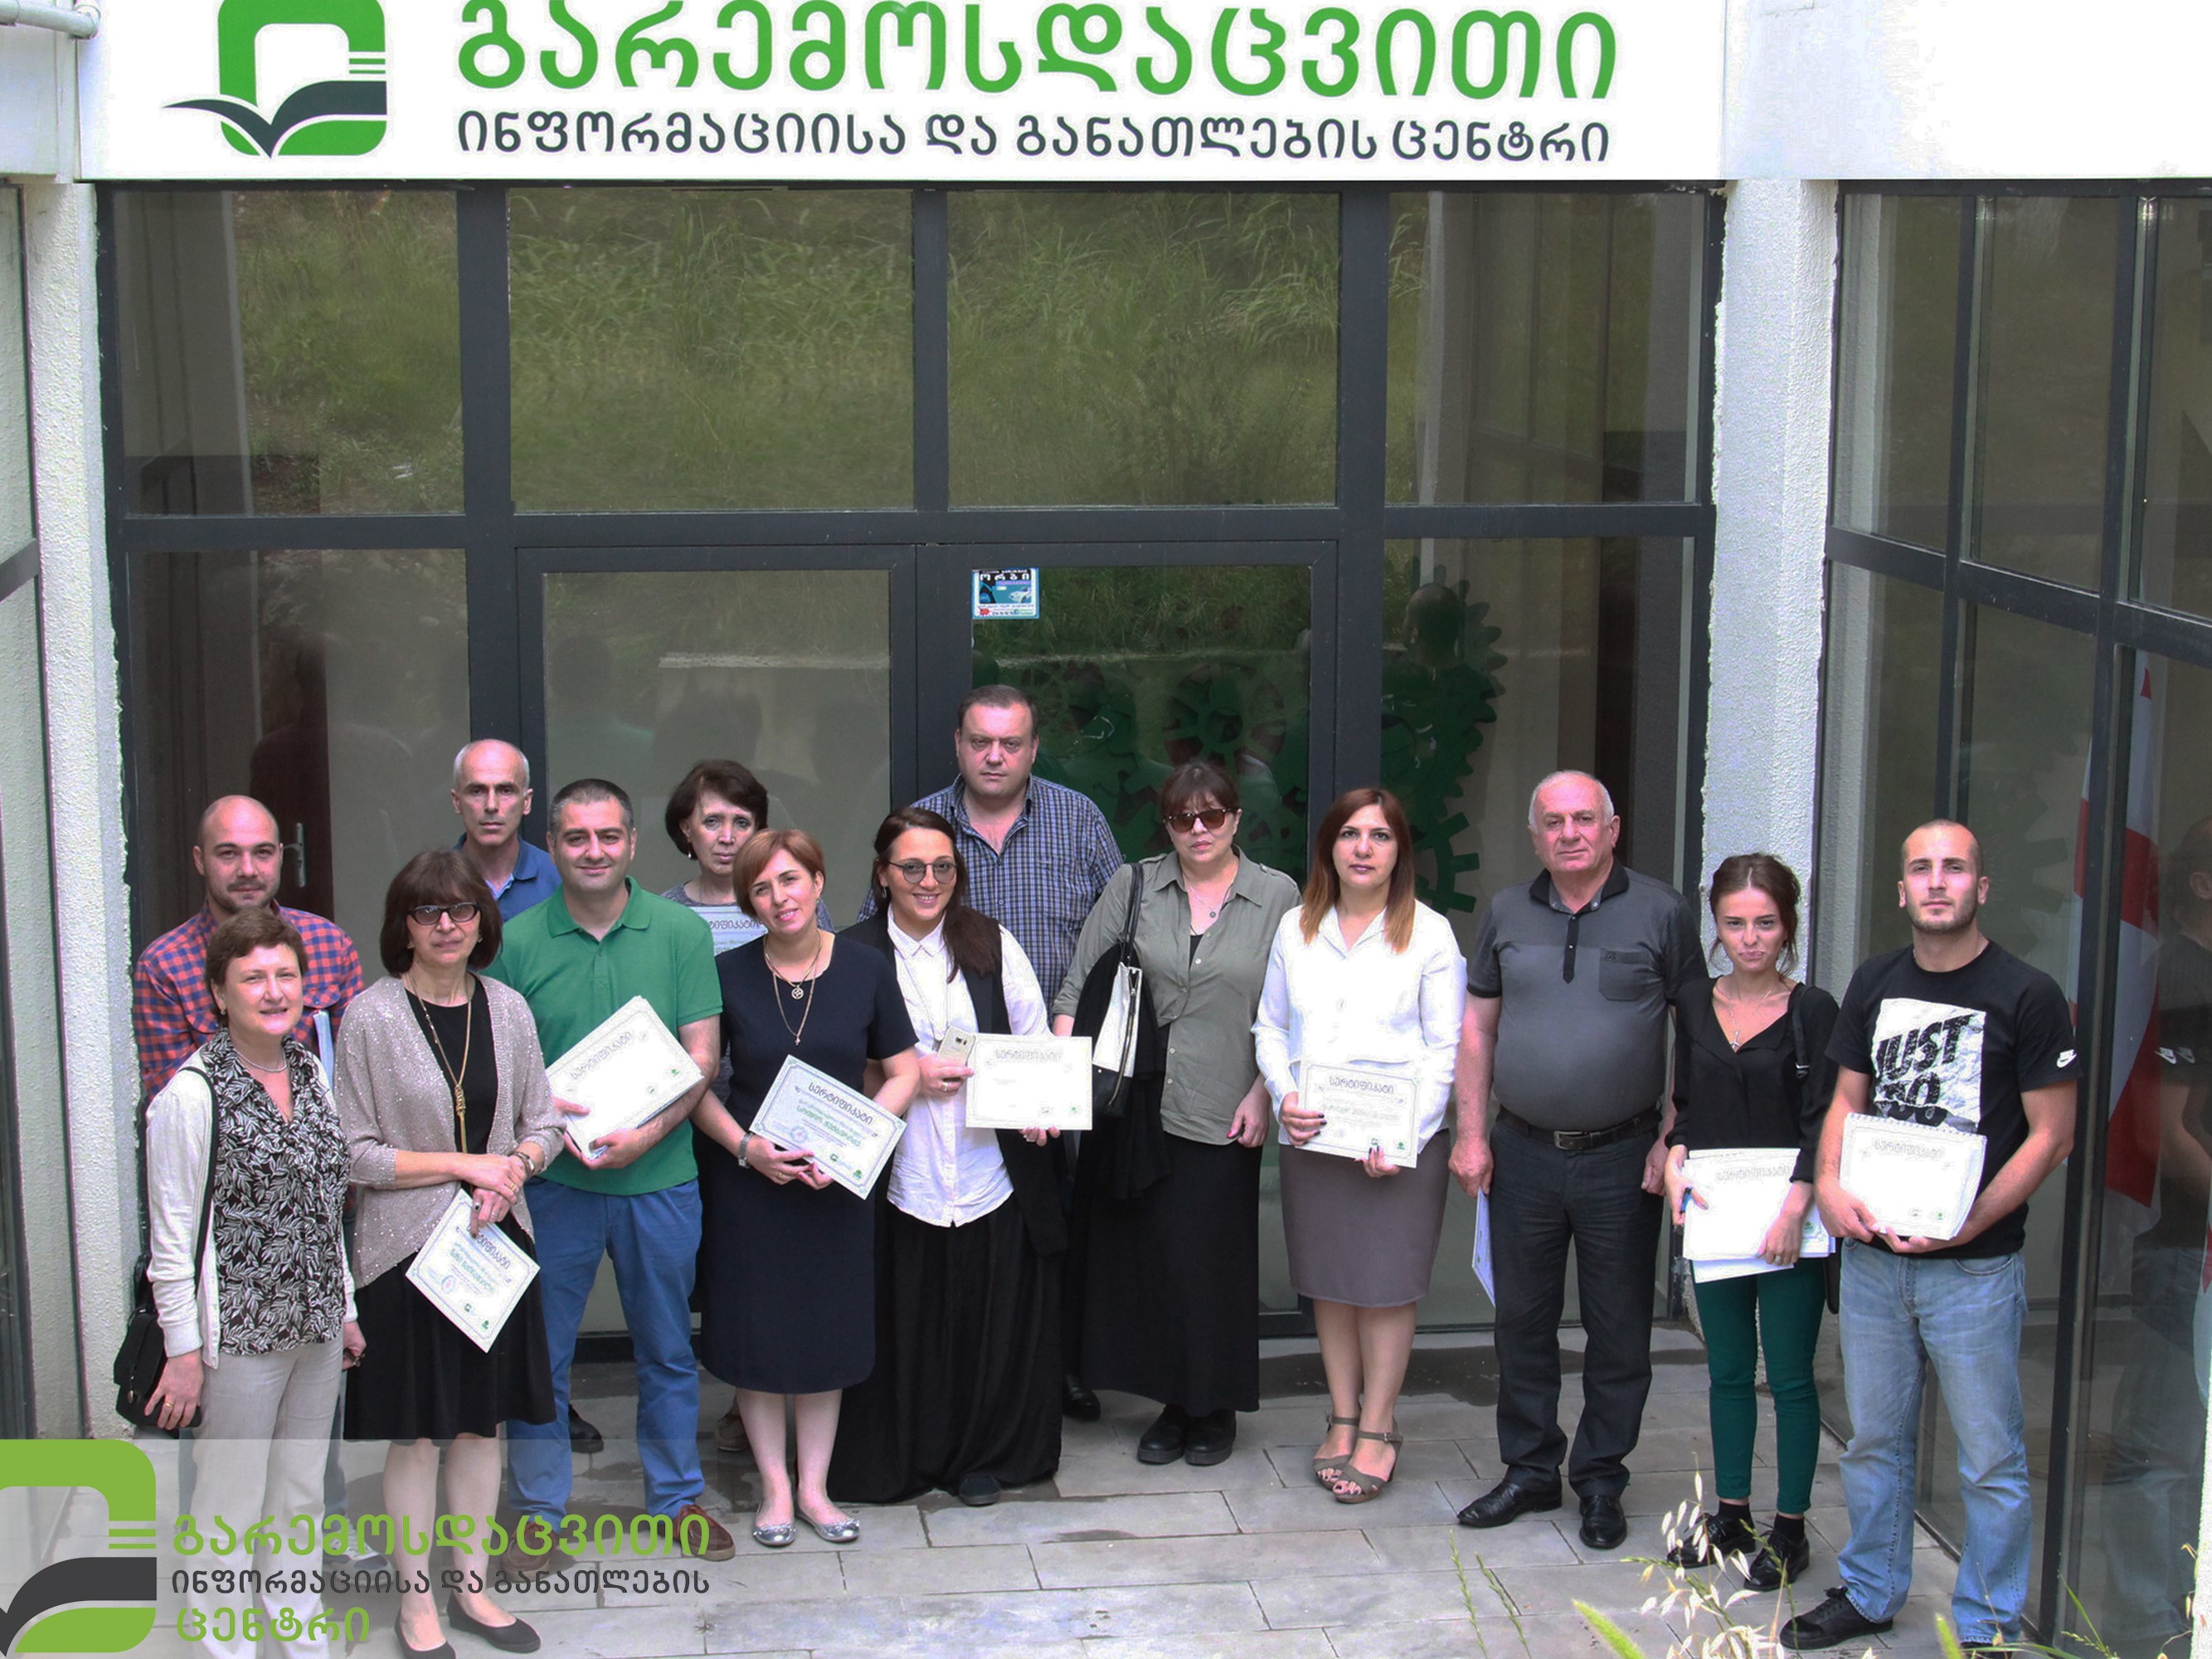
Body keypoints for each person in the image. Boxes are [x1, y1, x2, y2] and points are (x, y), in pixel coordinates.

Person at [1783, 821, 2078, 1652]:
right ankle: (1871, 1590)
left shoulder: (2028, 993)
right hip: (1874, 1262)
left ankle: (1987, 1626)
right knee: (1874, 1441)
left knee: (1989, 1458)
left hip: (1974, 1270)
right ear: (1902, 889)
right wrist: (1829, 1186)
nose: (1937, 881)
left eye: (1954, 868)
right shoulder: (1874, 980)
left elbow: (2053, 1135)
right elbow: (1846, 1099)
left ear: (1981, 887)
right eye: (1921, 868)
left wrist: (1967, 1221)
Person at [486, 779, 734, 1563]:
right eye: (575, 838)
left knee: (666, 1350)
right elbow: (505, 1067)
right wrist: (542, 1120)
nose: (592, 851)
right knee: (544, 1355)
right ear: (552, 847)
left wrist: (647, 1134)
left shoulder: (680, 932)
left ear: (631, 843)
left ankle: (677, 1497)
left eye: (607, 837)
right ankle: (537, 1512)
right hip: (552, 1184)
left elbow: (702, 1056)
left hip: (658, 1178)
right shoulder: (516, 941)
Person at [1452, 771, 1701, 1551]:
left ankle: (1599, 1479)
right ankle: (1529, 1469)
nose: (1569, 834)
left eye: (1584, 819)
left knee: (1618, 1328)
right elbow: (1476, 1029)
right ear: (1535, 837)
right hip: (1521, 1151)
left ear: (1611, 829)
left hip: (1623, 1156)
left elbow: (1694, 1035)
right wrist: (1470, 1134)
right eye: (1554, 822)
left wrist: (1671, 1138)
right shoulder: (1505, 911)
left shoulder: (1661, 912)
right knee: (1520, 1323)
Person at [864, 684, 1119, 1419]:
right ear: (958, 745)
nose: (995, 756)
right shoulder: (922, 826)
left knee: (1050, 1223)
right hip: (933, 1083)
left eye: (1011, 743)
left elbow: (1117, 933)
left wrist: (1066, 1048)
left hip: (1047, 1061)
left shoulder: (1079, 820)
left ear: (1033, 748)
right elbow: (871, 953)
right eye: (981, 741)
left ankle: (1056, 1368)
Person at [335, 852, 565, 1657]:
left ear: (481, 920)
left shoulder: (509, 1008)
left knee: (478, 1426)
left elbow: (544, 1124)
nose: (446, 925)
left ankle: (471, 1589)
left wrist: (514, 1170)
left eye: (461, 909)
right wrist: (469, 1165)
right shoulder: (368, 1016)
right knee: (415, 1435)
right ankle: (415, 1604)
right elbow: (354, 1152)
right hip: (404, 1257)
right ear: (403, 925)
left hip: (493, 1251)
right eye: (427, 911)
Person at [1052, 761, 1298, 1467]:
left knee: (1209, 1265)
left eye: (1212, 815)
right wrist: (1061, 1091)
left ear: (1235, 819)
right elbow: (1076, 989)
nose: (1198, 829)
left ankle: (1212, 1407)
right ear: (1166, 825)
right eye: (1182, 817)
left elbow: (1292, 1010)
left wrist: (1263, 1093)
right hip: (1133, 1109)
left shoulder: (1277, 895)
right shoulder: (1132, 885)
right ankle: (1170, 1402)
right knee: (1151, 1262)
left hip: (1224, 1107)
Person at [688, 830, 921, 1547]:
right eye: (761, 888)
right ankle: (775, 1489)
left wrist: (857, 1146)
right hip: (752, 1186)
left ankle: (816, 1489)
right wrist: (745, 1149)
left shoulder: (865, 967)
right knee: (758, 1339)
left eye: (790, 880)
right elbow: (694, 1086)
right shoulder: (724, 973)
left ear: (819, 882)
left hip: (835, 1188)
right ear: (747, 904)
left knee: (827, 1337)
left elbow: (905, 1071)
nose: (778, 898)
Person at [143, 908, 363, 1659]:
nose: (273, 991)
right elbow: (171, 1240)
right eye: (253, 978)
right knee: (229, 1501)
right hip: (237, 1336)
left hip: (315, 1326)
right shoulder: (191, 1094)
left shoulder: (309, 1071)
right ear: (218, 992)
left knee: (301, 1490)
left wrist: (346, 1308)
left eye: (285, 975)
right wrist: (182, 1352)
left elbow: (324, 1205)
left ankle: (296, 1622)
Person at [829, 808, 1066, 1508]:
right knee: (907, 1325)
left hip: (989, 1170)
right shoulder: (851, 953)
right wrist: (903, 1074)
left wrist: (1042, 1106)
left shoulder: (989, 941)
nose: (927, 881)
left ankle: (983, 1458)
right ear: (882, 875)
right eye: (911, 867)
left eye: (941, 867)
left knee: (986, 1325)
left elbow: (1032, 1041)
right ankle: (907, 1457)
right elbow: (831, 1066)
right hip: (900, 1175)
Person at [1256, 789, 1465, 1503]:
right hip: (1315, 1137)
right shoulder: (1295, 929)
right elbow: (1269, 1027)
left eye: (1379, 835)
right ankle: (1341, 1417)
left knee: (1384, 1286)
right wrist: (1284, 1094)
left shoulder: (1430, 934)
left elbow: (1445, 1048)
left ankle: (1378, 1427)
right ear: (1329, 847)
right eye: (1349, 834)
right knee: (1331, 1283)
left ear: (1400, 850)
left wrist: (1403, 1137)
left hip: (1398, 1145)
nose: (1363, 848)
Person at [1659, 854, 1837, 1590]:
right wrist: (1674, 1157)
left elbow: (1825, 1120)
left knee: (1789, 1376)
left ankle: (1789, 1528)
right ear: (1716, 926)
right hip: (1717, 1213)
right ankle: (1729, 1515)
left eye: (1765, 923)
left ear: (1788, 926)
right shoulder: (1693, 1003)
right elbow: (1687, 1106)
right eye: (1734, 924)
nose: (1750, 938)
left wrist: (1797, 1207)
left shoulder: (1813, 1010)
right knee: (1727, 1371)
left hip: (1790, 1218)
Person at [660, 756, 837, 1457]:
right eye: (712, 821)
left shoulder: (796, 903)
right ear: (686, 829)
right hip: (694, 1119)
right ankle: (734, 1386)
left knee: (770, 1268)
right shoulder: (665, 916)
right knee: (718, 1269)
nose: (728, 835)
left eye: (742, 821)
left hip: (787, 1119)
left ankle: (748, 1401)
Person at [133, 795, 363, 1100]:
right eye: (228, 854)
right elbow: (176, 1105)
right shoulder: (164, 967)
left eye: (262, 853)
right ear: (200, 860)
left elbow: (358, 1082)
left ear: (280, 856)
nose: (248, 869)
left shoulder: (329, 945)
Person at [452, 739, 562, 920]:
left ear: (526, 802)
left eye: (506, 791)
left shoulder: (560, 881)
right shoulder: (430, 883)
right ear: (457, 802)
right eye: (477, 791)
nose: (491, 806)